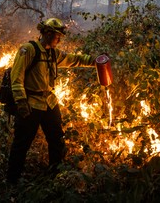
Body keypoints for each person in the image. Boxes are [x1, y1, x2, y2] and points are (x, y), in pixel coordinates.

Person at [7, 17, 95, 184]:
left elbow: (74, 59)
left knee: (56, 140)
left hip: (49, 103)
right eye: (57, 36)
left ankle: (55, 175)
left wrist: (94, 61)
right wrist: (21, 102)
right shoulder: (28, 50)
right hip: (31, 104)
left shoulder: (54, 54)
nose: (59, 39)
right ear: (47, 33)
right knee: (21, 143)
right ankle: (12, 180)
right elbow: (16, 78)